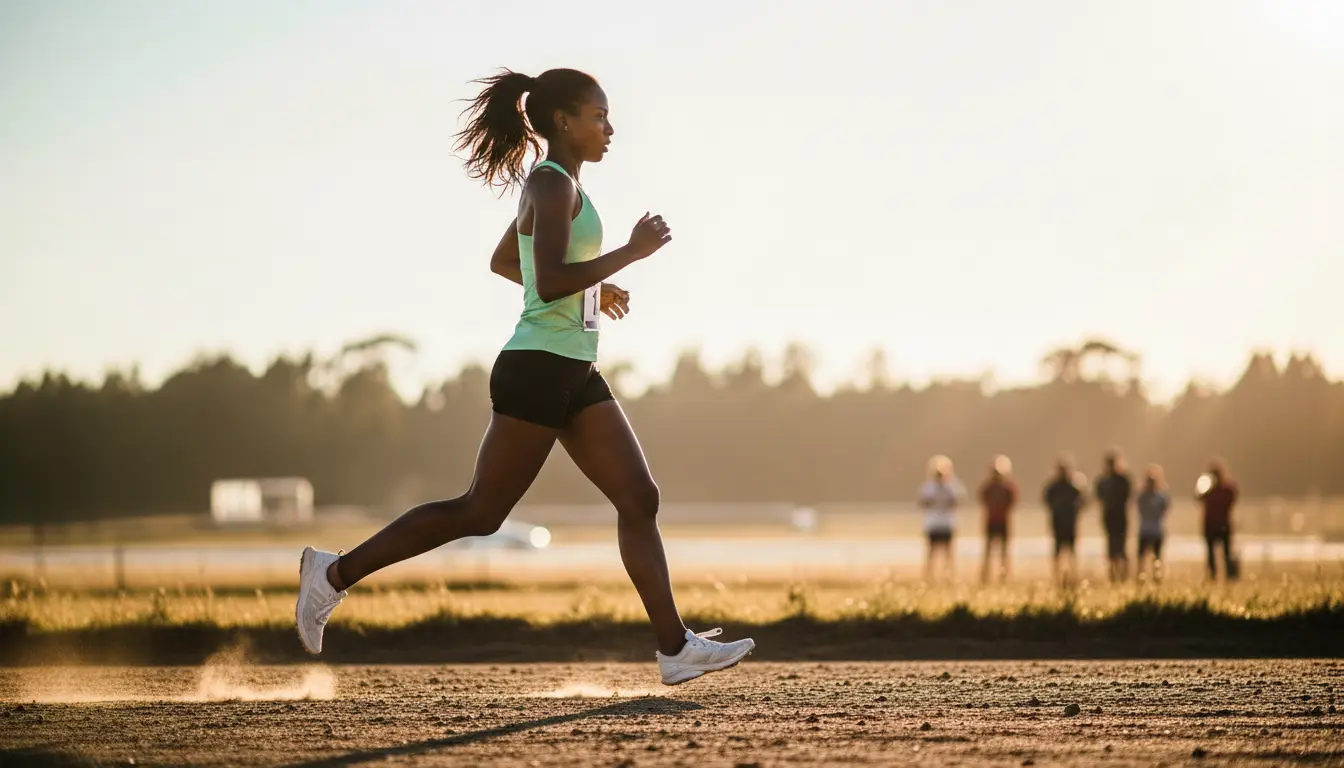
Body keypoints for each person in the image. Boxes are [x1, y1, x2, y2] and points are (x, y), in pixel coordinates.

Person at [294, 68, 754, 686]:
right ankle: (330, 576)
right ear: (563, 121)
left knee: (639, 497)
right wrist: (630, 254)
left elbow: (509, 262)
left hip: (572, 368)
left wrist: (597, 283)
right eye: (598, 115)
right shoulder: (548, 182)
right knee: (480, 512)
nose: (609, 127)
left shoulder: (563, 187)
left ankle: (674, 648)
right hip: (537, 369)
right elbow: (555, 276)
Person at [919, 455, 966, 582]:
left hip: (944, 523)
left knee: (947, 553)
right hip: (935, 523)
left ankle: (948, 576)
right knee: (932, 553)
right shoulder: (931, 487)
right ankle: (930, 576)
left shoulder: (950, 486)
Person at [1043, 454, 1086, 587]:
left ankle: (1073, 576)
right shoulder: (1054, 487)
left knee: (1071, 553)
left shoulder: (1074, 486)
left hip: (1069, 525)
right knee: (1058, 553)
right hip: (1058, 524)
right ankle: (1057, 578)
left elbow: (1083, 501)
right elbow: (1046, 500)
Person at [1094, 449, 1133, 583]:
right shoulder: (1103, 481)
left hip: (1119, 518)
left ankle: (1123, 575)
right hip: (1109, 518)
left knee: (1121, 547)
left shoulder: (1123, 480)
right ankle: (1113, 575)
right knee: (1111, 548)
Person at [1197, 458, 1239, 581]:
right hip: (1216, 524)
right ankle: (1215, 575)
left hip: (1218, 524)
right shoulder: (1211, 489)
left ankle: (1222, 575)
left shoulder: (1224, 489)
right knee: (1215, 552)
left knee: (1222, 552)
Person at [978, 455, 1018, 584]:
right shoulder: (988, 487)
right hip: (991, 521)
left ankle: (1004, 575)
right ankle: (986, 576)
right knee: (988, 551)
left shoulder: (1007, 488)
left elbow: (1012, 502)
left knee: (1004, 551)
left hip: (1002, 522)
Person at [1135, 464, 1170, 582]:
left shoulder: (1159, 497)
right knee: (1142, 559)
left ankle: (1156, 578)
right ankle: (1142, 578)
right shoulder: (1144, 496)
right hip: (1147, 531)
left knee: (1156, 558)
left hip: (1154, 531)